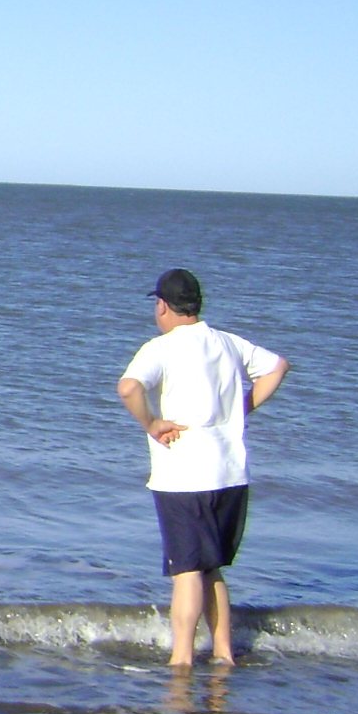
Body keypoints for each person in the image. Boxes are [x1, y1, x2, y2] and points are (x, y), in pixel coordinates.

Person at [115, 268, 287, 669]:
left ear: (163, 305)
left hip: (184, 476)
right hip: (230, 474)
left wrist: (151, 423)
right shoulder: (227, 342)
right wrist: (242, 409)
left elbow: (128, 388)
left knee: (187, 570)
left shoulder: (161, 347)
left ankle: (182, 658)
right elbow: (277, 366)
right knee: (211, 568)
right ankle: (224, 652)